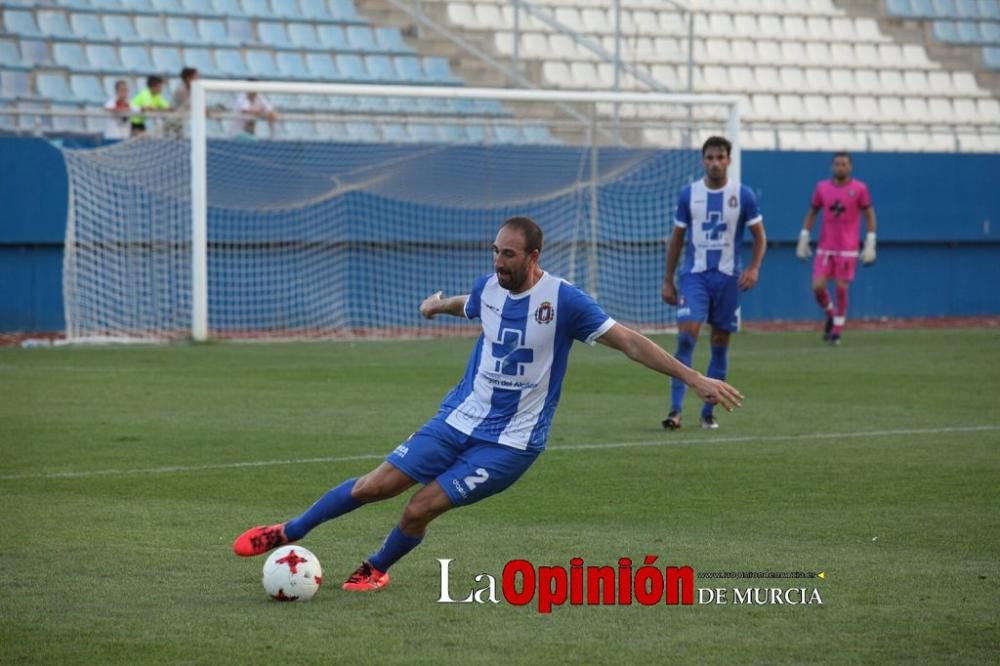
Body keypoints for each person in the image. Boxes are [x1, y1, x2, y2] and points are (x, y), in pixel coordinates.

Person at [233, 216, 744, 591]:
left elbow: (629, 340)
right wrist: (437, 305)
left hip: (512, 441)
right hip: (459, 416)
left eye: (508, 255)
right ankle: (288, 530)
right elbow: (468, 302)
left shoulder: (564, 301)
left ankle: (377, 567)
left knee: (419, 507)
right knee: (375, 485)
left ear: (533, 257)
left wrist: (693, 376)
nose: (498, 262)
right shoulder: (489, 287)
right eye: (495, 252)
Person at [660, 136, 766, 431]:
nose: (715, 163)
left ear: (729, 160)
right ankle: (675, 410)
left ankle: (708, 412)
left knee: (719, 344)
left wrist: (754, 268)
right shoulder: (688, 194)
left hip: (728, 279)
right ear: (703, 160)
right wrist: (668, 281)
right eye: (710, 157)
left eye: (720, 157)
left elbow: (760, 236)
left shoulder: (743, 195)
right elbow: (677, 239)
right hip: (694, 276)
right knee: (686, 336)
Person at [796, 152, 877, 345]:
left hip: (848, 248)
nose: (841, 167)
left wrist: (870, 242)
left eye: (844, 164)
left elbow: (869, 215)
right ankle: (831, 314)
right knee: (818, 286)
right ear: (832, 166)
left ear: (850, 167)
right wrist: (804, 237)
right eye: (837, 164)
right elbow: (813, 212)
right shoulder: (822, 188)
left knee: (841, 288)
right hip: (826, 247)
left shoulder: (859, 189)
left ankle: (837, 331)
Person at [164, 67, 198, 139]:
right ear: (188, 78)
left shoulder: (191, 89)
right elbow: (190, 105)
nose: (197, 79)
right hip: (172, 120)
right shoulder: (181, 90)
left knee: (179, 138)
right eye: (195, 77)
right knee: (169, 139)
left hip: (179, 119)